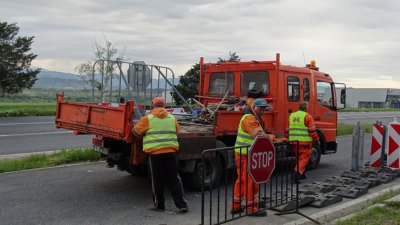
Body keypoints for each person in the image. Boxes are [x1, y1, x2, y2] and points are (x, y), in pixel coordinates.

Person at [132, 96, 188, 213]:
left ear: (153, 106)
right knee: (175, 179)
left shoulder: (147, 118)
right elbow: (177, 131)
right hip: (171, 152)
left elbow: (136, 132)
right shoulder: (172, 118)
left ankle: (159, 205)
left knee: (157, 180)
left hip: (155, 154)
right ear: (165, 106)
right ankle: (181, 205)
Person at [230, 98, 270, 217]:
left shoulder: (252, 117)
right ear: (253, 107)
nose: (262, 111)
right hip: (246, 153)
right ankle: (251, 208)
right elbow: (256, 133)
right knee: (251, 180)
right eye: (260, 108)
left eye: (264, 108)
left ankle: (236, 205)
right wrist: (272, 138)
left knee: (242, 179)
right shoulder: (249, 118)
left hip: (245, 153)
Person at [288, 101, 319, 183]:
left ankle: (302, 175)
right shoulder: (307, 116)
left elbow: (287, 129)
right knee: (304, 159)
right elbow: (312, 130)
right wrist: (317, 139)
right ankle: (296, 175)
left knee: (299, 158)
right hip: (304, 142)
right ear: (306, 108)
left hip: (293, 141)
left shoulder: (292, 116)